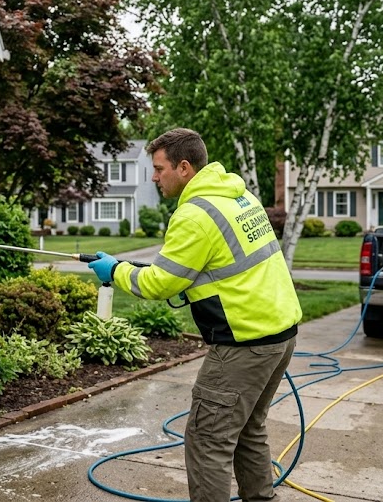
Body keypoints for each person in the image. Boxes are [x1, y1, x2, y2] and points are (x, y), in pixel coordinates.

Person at [88, 128, 301, 502]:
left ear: (184, 167)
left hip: (243, 345)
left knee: (207, 441)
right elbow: (215, 264)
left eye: (158, 169)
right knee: (249, 430)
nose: (154, 178)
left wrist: (114, 270)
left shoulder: (194, 214)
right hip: (280, 336)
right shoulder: (237, 196)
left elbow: (159, 284)